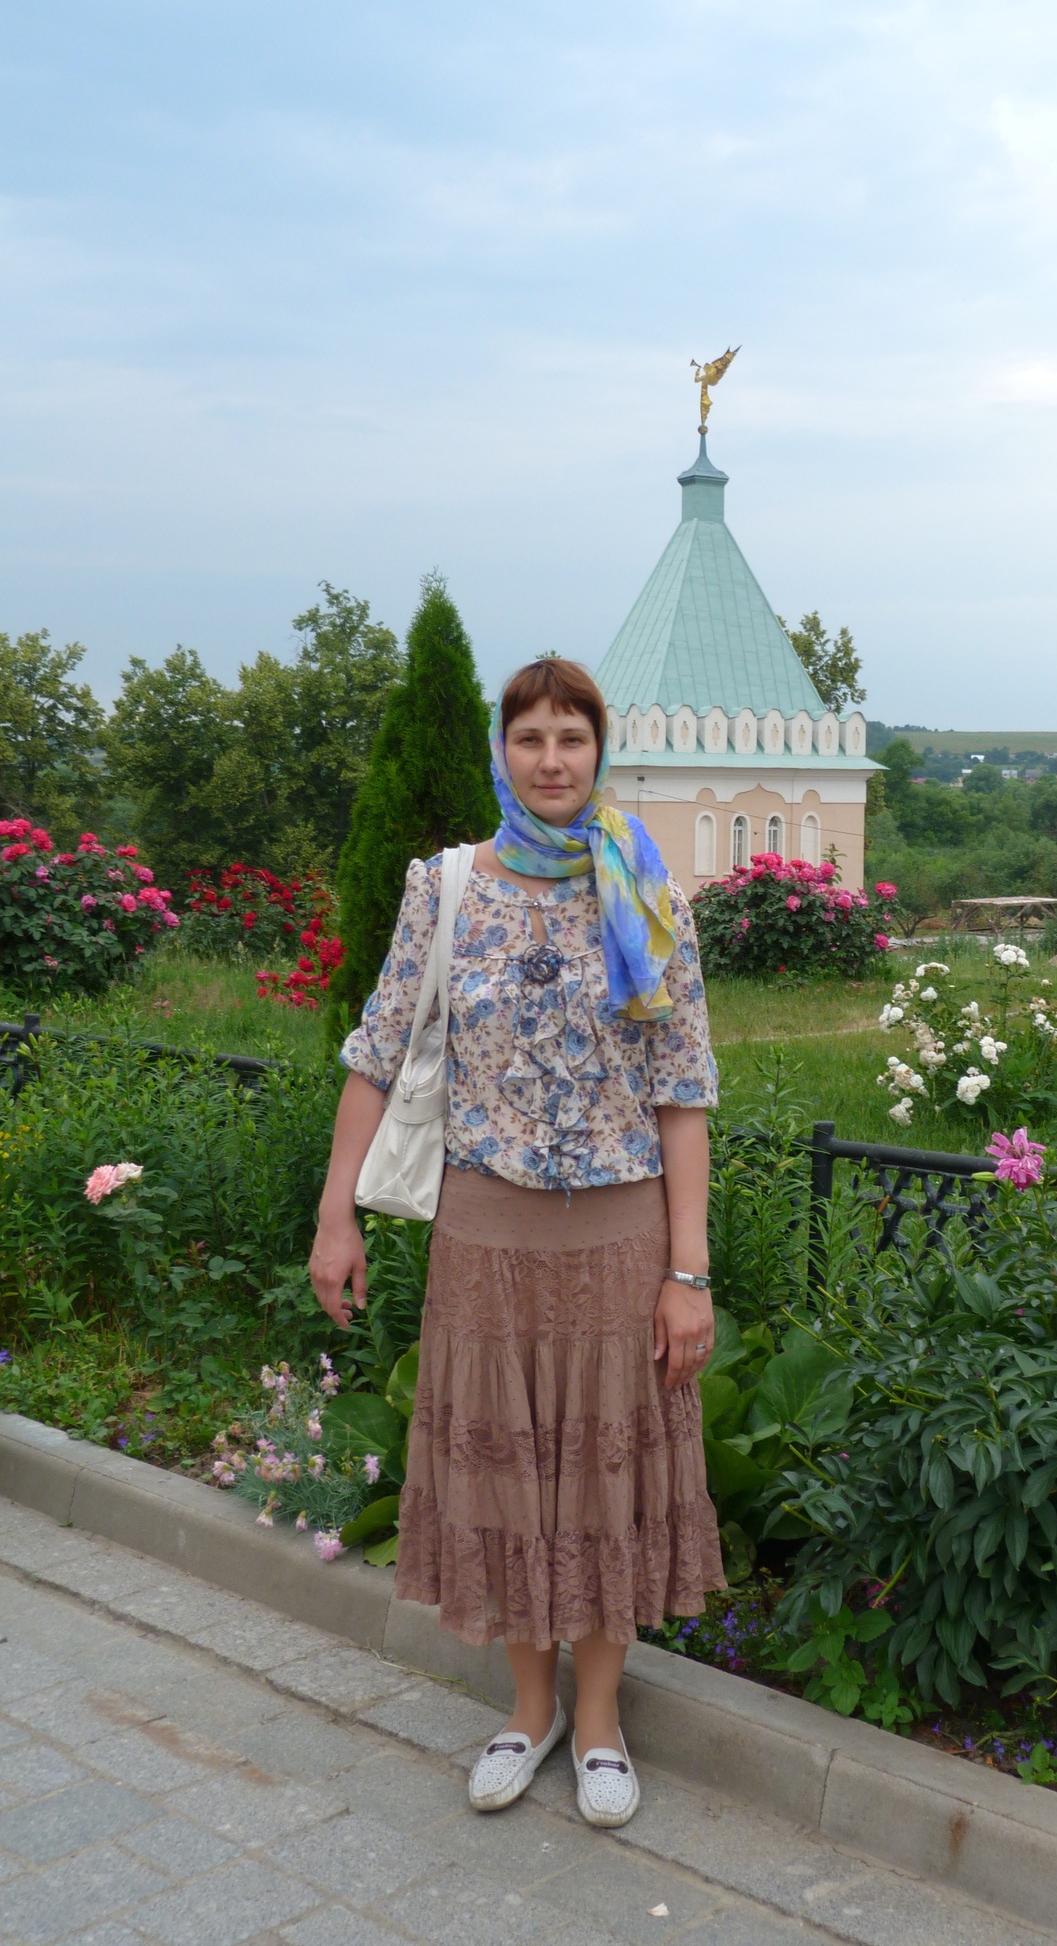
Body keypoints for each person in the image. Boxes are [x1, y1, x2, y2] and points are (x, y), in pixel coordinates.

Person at [309, 657, 724, 1830]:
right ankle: (528, 1707)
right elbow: (376, 1053)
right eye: (530, 737)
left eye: (571, 738)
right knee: (508, 1477)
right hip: (484, 1237)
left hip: (619, 1241)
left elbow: (683, 1088)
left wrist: (687, 1272)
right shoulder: (445, 888)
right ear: (502, 751)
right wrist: (336, 1214)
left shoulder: (647, 892)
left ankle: (598, 1721)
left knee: (600, 1482)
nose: (551, 759)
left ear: (600, 752)